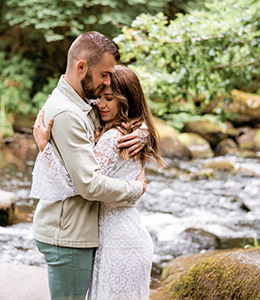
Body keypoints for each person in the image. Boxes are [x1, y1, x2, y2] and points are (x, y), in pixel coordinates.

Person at [30, 31, 150, 300]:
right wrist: (136, 189)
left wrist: (143, 132)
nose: (107, 82)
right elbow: (88, 184)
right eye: (104, 74)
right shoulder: (69, 114)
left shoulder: (84, 102)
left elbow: (127, 112)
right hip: (68, 234)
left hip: (75, 230)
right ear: (82, 66)